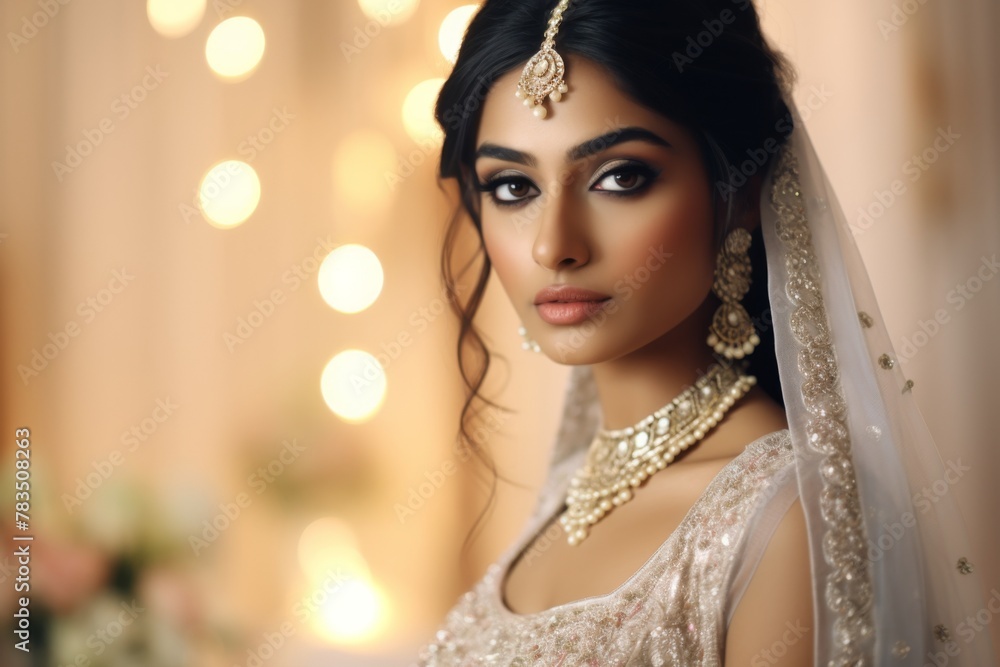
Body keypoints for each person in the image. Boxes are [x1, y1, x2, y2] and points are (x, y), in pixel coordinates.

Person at [415, 0, 998, 664]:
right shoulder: (574, 488)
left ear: (740, 191)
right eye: (514, 186)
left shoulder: (784, 519)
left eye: (620, 177)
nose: (554, 246)